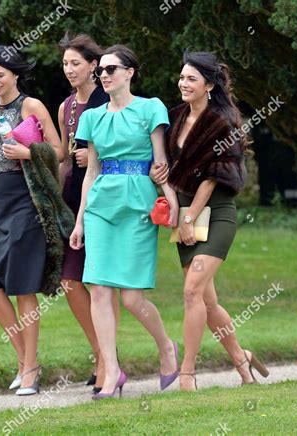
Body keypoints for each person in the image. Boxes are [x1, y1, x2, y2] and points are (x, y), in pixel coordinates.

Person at [152, 51, 269, 391]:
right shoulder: (174, 118)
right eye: (181, 77)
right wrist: (160, 175)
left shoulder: (224, 123)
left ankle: (187, 373)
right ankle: (241, 360)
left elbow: (213, 177)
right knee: (206, 300)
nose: (183, 83)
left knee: (191, 290)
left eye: (191, 78)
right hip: (185, 213)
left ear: (209, 84)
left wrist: (189, 218)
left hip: (215, 214)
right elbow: (166, 166)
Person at [69, 45, 180, 399]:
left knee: (132, 299)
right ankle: (112, 369)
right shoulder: (91, 117)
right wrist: (80, 221)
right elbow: (91, 172)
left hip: (138, 204)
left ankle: (166, 347)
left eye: (111, 69)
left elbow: (159, 162)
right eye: (101, 70)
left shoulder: (151, 108)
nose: (104, 74)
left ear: (130, 72)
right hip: (101, 205)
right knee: (99, 288)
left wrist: (171, 197)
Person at [0, 46, 64, 396]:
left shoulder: (31, 106)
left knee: (22, 287)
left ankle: (31, 369)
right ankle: (25, 361)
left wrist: (27, 152)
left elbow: (59, 151)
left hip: (26, 202)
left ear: (15, 75)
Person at [57, 32, 120, 394]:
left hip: (105, 198)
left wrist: (94, 157)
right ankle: (102, 354)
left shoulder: (108, 99)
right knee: (70, 281)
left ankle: (107, 364)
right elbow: (65, 157)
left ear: (94, 66)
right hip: (71, 200)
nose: (69, 70)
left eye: (75, 63)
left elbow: (128, 143)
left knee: (101, 284)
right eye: (65, 64)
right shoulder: (66, 107)